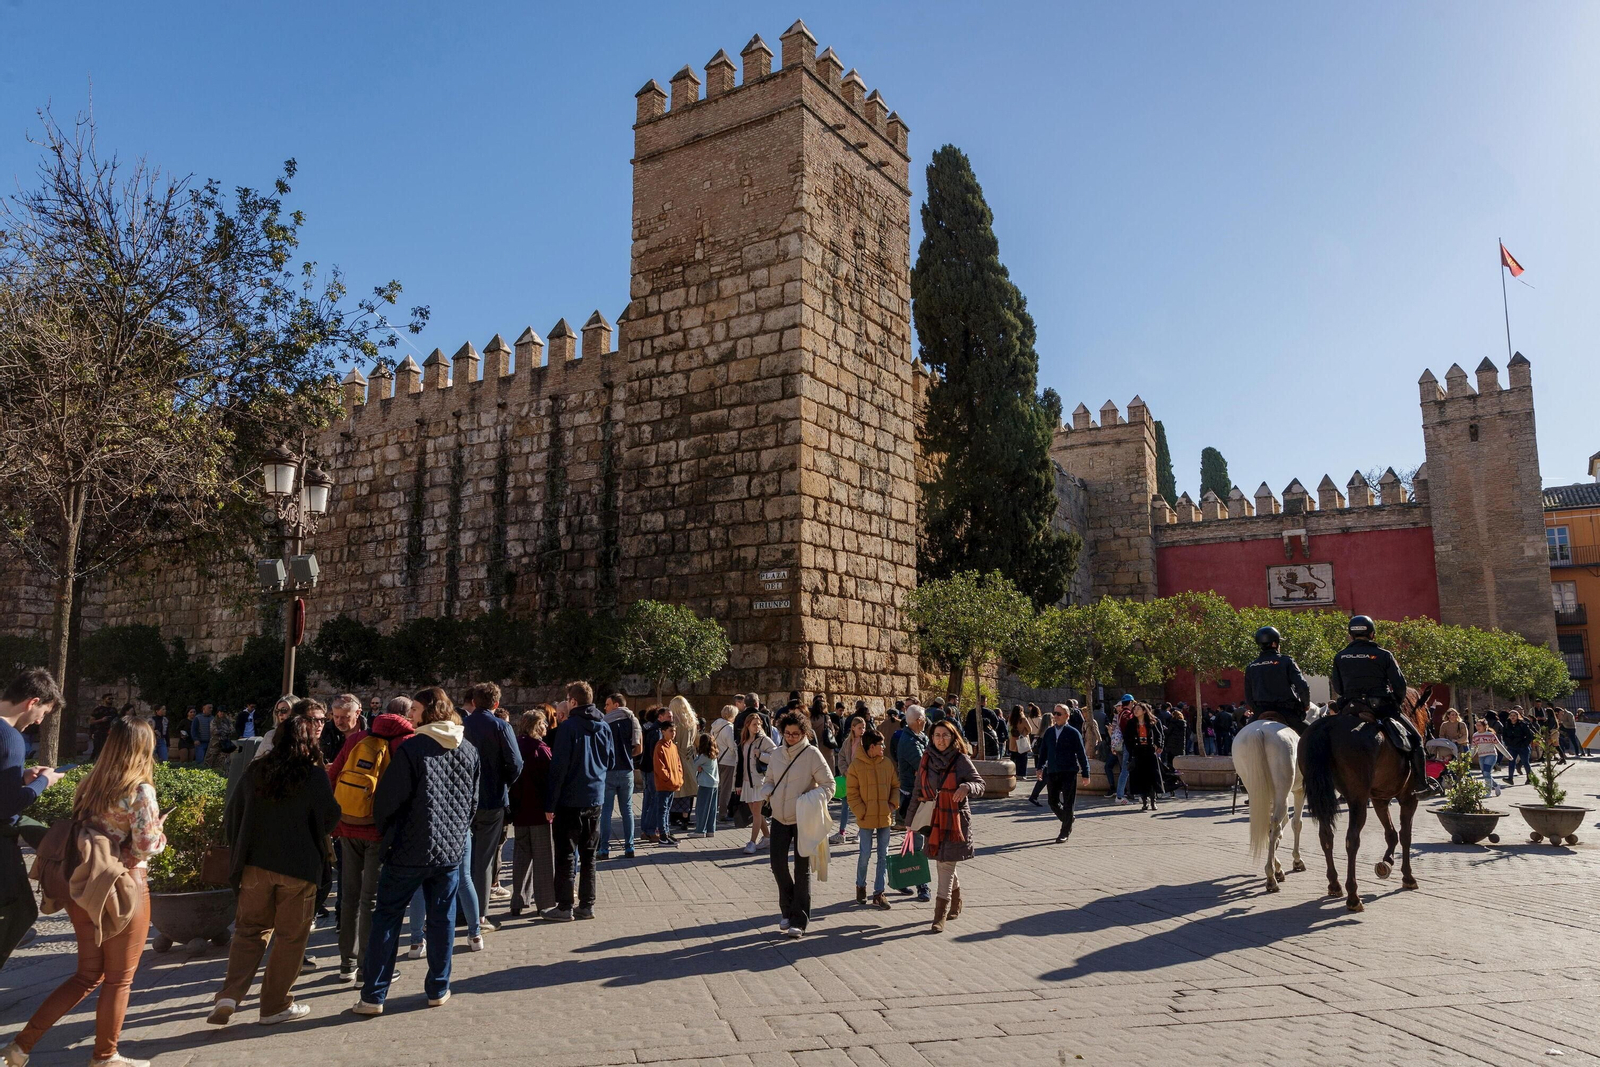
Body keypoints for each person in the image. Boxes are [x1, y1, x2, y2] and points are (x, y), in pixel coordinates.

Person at [4, 715, 164, 1067]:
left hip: (82, 885)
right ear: (144, 747)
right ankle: (105, 1056)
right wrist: (161, 837)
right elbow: (145, 845)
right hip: (123, 886)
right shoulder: (140, 789)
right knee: (119, 979)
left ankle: (20, 1047)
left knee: (86, 975)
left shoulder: (91, 783)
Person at [351, 688, 480, 1015]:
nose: (411, 715)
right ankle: (439, 988)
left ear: (430, 712)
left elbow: (387, 801)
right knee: (442, 919)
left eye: (416, 709)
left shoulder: (412, 749)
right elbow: (473, 803)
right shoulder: (468, 750)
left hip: (408, 849)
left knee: (387, 917)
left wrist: (388, 833)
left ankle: (373, 996)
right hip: (450, 851)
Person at [207, 713, 341, 1026]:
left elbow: (233, 815)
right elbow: (330, 817)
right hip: (299, 867)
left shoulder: (256, 770)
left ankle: (228, 996)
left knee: (249, 932)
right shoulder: (313, 774)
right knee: (291, 937)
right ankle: (274, 1005)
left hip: (255, 865)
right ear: (309, 742)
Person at [326, 695, 415, 983]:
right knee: (370, 900)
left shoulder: (357, 740)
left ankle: (345, 964)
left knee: (348, 896)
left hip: (349, 826)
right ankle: (367, 964)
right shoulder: (401, 744)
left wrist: (337, 817)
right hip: (377, 831)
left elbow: (334, 774)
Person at [0, 669, 65, 970]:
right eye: (43, 713)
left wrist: (21, 777)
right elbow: (10, 804)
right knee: (22, 911)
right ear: (32, 701)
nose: (40, 721)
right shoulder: (11, 738)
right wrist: (43, 783)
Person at [542, 681, 613, 922]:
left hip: (570, 799)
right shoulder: (604, 727)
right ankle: (587, 904)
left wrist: (549, 805)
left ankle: (564, 907)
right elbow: (610, 761)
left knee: (565, 854)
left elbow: (558, 768)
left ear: (573, 701)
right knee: (589, 854)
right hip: (595, 797)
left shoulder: (568, 727)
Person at [906, 720, 984, 934]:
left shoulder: (961, 760)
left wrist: (967, 786)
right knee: (945, 862)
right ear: (931, 738)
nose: (941, 739)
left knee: (945, 864)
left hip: (955, 820)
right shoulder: (926, 758)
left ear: (953, 738)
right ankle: (957, 900)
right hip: (932, 819)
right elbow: (917, 791)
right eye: (937, 735)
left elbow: (980, 784)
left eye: (945, 735)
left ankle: (939, 915)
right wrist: (909, 821)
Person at [761, 710, 834, 939]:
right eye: (787, 733)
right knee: (777, 864)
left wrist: (809, 800)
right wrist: (767, 792)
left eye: (795, 734)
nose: (791, 737)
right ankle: (788, 909)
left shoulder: (812, 754)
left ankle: (799, 920)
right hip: (780, 818)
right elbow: (770, 779)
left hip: (803, 818)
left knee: (801, 870)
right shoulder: (776, 754)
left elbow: (829, 785)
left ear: (803, 733)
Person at [1330, 614, 1425, 787]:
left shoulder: (1340, 656)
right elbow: (1400, 685)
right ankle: (1421, 784)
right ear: (1372, 634)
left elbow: (1338, 688)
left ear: (1351, 634)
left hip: (1351, 707)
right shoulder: (1384, 655)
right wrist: (1396, 703)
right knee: (1417, 741)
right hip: (1381, 707)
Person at [462, 681, 522, 929]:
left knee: (464, 859)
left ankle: (461, 910)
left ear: (474, 702)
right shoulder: (501, 726)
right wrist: (503, 783)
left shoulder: (460, 726)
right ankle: (480, 914)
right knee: (485, 859)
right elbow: (516, 763)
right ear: (496, 704)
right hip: (492, 798)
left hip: (463, 800)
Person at [507, 709, 555, 918]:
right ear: (536, 726)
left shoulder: (515, 747)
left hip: (519, 812)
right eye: (543, 724)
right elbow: (549, 782)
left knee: (521, 856)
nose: (546, 727)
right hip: (539, 812)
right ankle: (544, 902)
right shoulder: (541, 750)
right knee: (543, 858)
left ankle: (518, 899)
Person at [844, 727, 898, 909]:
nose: (883, 748)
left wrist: (892, 804)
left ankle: (879, 892)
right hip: (866, 818)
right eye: (880, 745)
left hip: (884, 816)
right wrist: (862, 812)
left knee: (884, 855)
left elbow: (895, 786)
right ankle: (861, 886)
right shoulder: (856, 766)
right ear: (871, 746)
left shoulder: (887, 763)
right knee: (865, 854)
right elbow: (851, 793)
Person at [1037, 705, 1091, 842]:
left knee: (1068, 803)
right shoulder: (1049, 732)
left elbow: (1081, 754)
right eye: (1054, 713)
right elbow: (1043, 752)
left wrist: (1086, 773)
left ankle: (1064, 832)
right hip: (1053, 771)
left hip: (1069, 772)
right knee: (1052, 801)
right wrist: (1040, 768)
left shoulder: (1073, 732)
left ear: (1067, 715)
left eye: (1059, 714)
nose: (1055, 716)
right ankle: (1068, 818)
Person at [598, 693, 642, 860]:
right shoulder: (632, 721)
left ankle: (604, 849)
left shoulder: (604, 723)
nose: (605, 708)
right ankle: (629, 847)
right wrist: (628, 756)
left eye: (608, 704)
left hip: (608, 770)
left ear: (616, 705)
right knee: (627, 810)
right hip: (626, 770)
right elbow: (639, 748)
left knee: (607, 811)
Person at [1244, 627, 1311, 734]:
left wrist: (1256, 709)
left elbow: (1248, 695)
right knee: (1312, 734)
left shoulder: (1251, 666)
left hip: (1261, 711)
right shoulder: (1286, 661)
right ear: (1275, 644)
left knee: (1242, 735)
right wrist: (1305, 704)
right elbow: (1302, 685)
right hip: (1286, 710)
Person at [737, 713, 776, 854]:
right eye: (754, 724)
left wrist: (761, 755)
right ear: (747, 725)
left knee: (757, 814)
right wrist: (738, 783)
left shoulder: (764, 740)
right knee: (755, 813)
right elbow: (741, 763)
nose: (757, 727)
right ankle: (767, 837)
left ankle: (752, 842)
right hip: (748, 781)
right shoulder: (745, 741)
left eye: (759, 724)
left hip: (759, 781)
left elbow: (776, 756)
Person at [832, 713, 867, 844]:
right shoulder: (848, 742)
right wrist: (845, 770)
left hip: (861, 779)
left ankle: (861, 832)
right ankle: (842, 832)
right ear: (853, 728)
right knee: (845, 805)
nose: (862, 730)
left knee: (860, 805)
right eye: (859, 728)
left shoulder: (865, 743)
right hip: (848, 778)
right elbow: (841, 757)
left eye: (863, 727)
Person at [1125, 703, 1166, 812]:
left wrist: (1158, 745)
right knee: (1140, 777)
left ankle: (1153, 800)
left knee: (1151, 777)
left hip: (1150, 751)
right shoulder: (1131, 723)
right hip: (1138, 752)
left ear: (1144, 711)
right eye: (1135, 709)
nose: (1135, 711)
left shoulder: (1152, 722)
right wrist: (1132, 750)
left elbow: (1159, 735)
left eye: (1138, 709)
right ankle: (1144, 801)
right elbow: (1127, 738)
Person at [667, 696, 699, 832]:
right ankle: (686, 817)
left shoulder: (675, 725)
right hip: (689, 757)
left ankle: (674, 817)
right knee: (689, 789)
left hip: (676, 757)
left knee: (675, 788)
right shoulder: (692, 723)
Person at [652, 719, 684, 846]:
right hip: (664, 784)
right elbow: (660, 767)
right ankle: (663, 835)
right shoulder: (659, 746)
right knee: (663, 810)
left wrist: (679, 777)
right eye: (671, 731)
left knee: (667, 809)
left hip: (673, 783)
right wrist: (669, 778)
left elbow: (678, 764)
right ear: (663, 732)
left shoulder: (673, 746)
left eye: (675, 731)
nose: (673, 733)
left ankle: (667, 832)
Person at [709, 704, 739, 826]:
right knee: (726, 789)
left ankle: (711, 812)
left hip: (717, 759)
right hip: (728, 761)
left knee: (718, 787)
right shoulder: (729, 728)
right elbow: (732, 746)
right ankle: (722, 814)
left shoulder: (714, 726)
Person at [689, 732, 719, 839]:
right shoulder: (713, 755)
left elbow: (693, 764)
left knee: (702, 808)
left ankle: (700, 830)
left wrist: (698, 767)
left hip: (705, 784)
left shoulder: (703, 756)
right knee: (712, 808)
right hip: (714, 784)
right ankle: (711, 829)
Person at [1470, 719, 1505, 797]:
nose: (1477, 727)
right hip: (1481, 756)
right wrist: (1469, 757)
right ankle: (1496, 785)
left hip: (1491, 755)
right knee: (1485, 774)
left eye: (1479, 725)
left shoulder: (1491, 735)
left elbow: (1499, 745)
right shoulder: (1475, 735)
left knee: (1486, 773)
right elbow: (1474, 747)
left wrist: (1508, 756)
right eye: (1476, 725)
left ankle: (1487, 792)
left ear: (1484, 726)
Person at [1501, 709, 1535, 786]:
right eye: (1511, 716)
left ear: (1517, 716)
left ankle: (1529, 778)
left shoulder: (1523, 724)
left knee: (1525, 762)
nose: (1512, 717)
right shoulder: (1507, 725)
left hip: (1522, 746)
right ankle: (1510, 778)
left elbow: (1529, 735)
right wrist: (1507, 743)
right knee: (1511, 762)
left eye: (1514, 715)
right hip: (1512, 746)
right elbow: (1504, 735)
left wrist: (1525, 744)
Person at [1007, 705, 1035, 781]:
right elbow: (1030, 729)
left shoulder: (1011, 718)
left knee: (1013, 758)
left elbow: (1009, 728)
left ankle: (1013, 773)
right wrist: (1024, 732)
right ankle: (1022, 774)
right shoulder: (1023, 719)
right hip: (1022, 740)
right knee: (1023, 759)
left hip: (1013, 740)